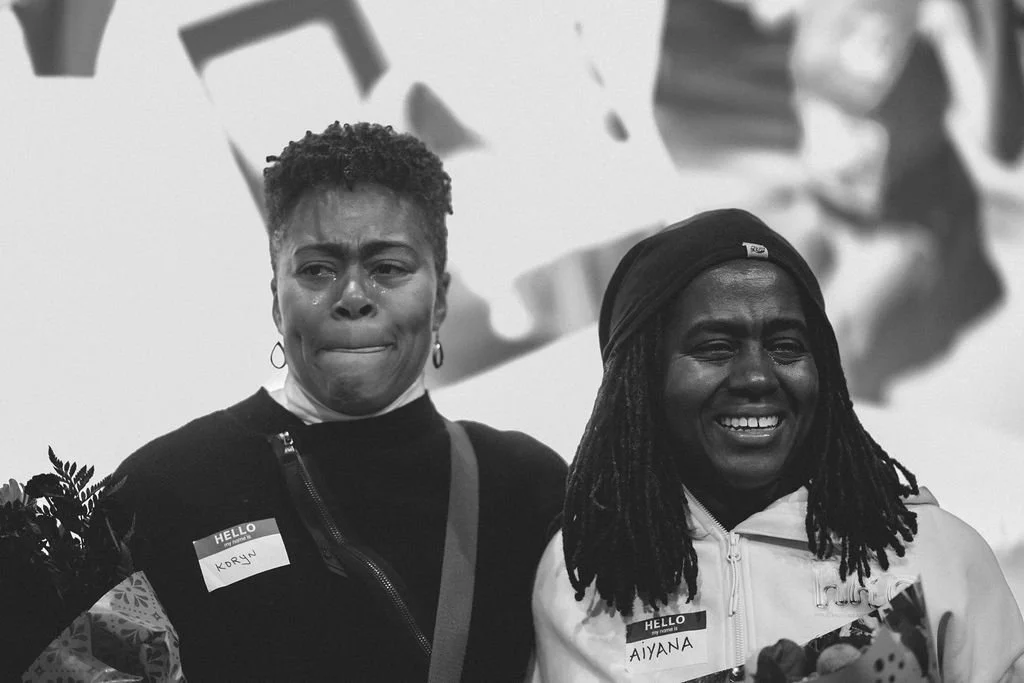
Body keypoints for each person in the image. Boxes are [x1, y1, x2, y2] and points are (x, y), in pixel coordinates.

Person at [111, 122, 568, 681]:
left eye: (387, 268)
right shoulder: (160, 491)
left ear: (440, 299)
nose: (352, 297)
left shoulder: (528, 489)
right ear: (276, 299)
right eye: (317, 270)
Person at [530, 208, 1024, 681]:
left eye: (786, 346)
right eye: (715, 347)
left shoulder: (931, 554)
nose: (757, 376)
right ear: (640, 379)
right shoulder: (581, 575)